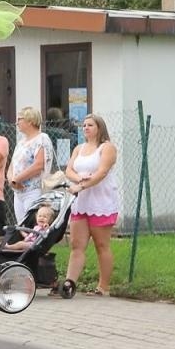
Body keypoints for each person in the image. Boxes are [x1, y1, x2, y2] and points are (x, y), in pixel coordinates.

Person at [65, 113, 119, 295]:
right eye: (84, 125)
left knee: (101, 244)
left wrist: (81, 186)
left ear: (99, 128)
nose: (86, 128)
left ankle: (103, 286)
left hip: (100, 201)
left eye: (90, 125)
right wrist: (78, 179)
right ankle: (69, 283)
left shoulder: (107, 148)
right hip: (81, 202)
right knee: (76, 244)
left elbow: (101, 172)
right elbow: (69, 170)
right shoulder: (78, 148)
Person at [6, 107, 53, 225]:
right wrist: (12, 179)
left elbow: (39, 164)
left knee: (33, 225)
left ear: (30, 121)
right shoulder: (21, 142)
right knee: (22, 227)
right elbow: (13, 164)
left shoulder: (42, 139)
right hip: (18, 192)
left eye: (20, 119)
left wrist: (17, 179)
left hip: (33, 190)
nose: (17, 123)